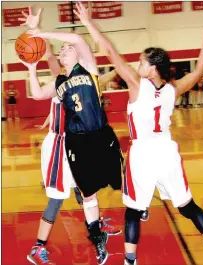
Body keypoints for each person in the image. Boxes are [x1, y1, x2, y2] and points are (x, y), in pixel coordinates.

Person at [74, 3, 203, 265]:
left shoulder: (136, 84)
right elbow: (199, 71)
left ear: (152, 67)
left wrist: (88, 22)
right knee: (187, 205)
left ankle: (130, 261)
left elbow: (109, 51)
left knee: (133, 209)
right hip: (167, 150)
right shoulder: (173, 88)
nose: (138, 64)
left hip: (143, 152)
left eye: (142, 62)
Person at [19, 7, 122, 265]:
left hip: (98, 137)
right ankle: (93, 235)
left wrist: (39, 31)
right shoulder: (59, 82)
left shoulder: (87, 67)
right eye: (61, 50)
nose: (64, 49)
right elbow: (37, 94)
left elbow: (76, 39)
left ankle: (96, 224)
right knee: (82, 193)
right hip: (73, 141)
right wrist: (31, 67)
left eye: (67, 49)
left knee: (98, 187)